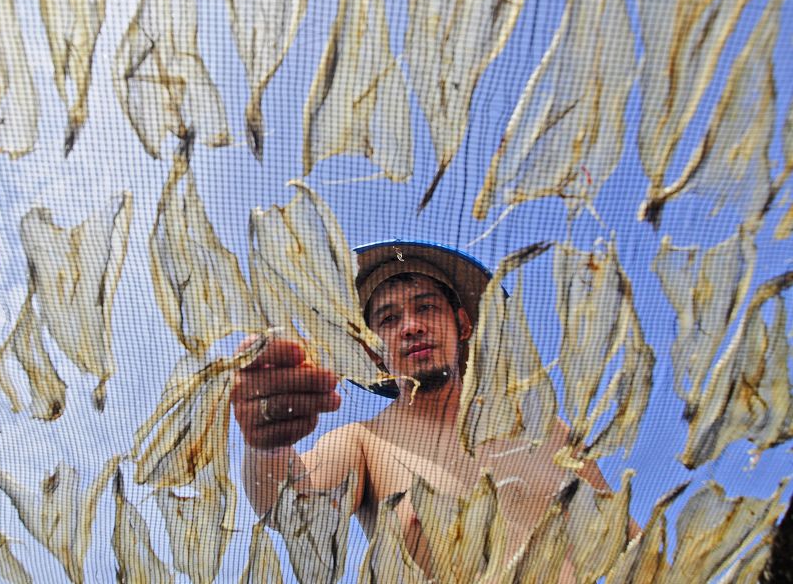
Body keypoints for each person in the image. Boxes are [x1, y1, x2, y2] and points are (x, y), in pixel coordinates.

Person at [231, 240, 631, 579]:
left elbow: (628, 540)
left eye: (426, 308)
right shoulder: (362, 443)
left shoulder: (548, 432)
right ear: (373, 350)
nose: (410, 326)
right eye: (388, 319)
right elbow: (290, 507)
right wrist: (266, 441)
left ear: (463, 324)